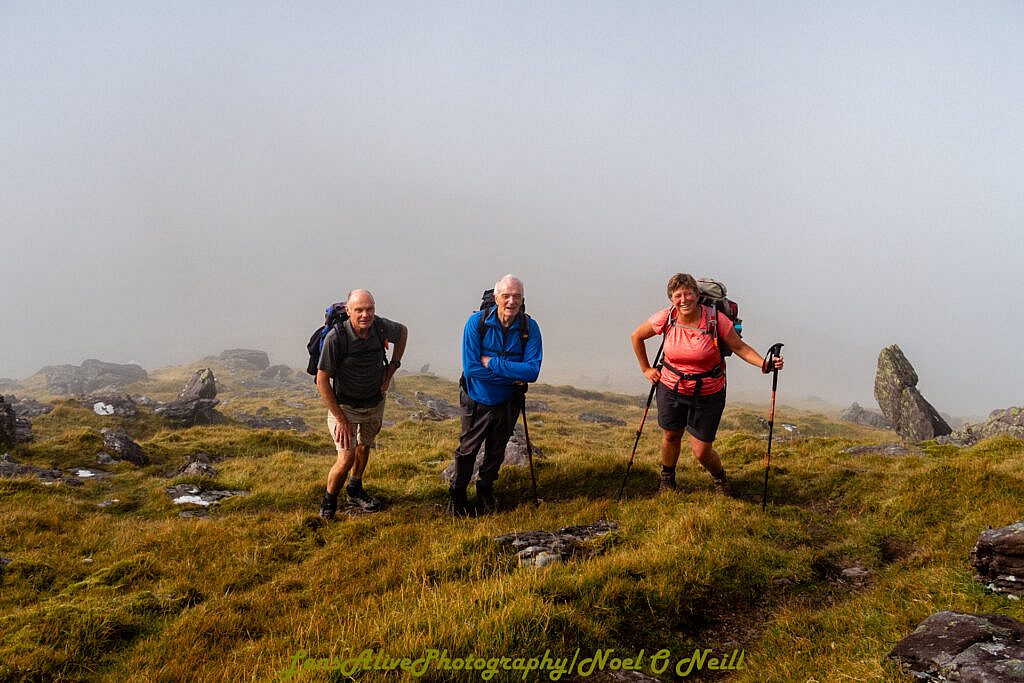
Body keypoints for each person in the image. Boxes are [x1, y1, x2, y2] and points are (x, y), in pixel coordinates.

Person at [630, 273, 783, 495]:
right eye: (677, 295)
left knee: (701, 450)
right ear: (671, 299)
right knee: (671, 435)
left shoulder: (715, 320)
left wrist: (764, 364)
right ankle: (667, 481)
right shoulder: (666, 318)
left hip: (708, 392)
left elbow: (740, 347)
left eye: (688, 294)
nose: (684, 300)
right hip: (671, 388)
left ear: (697, 294)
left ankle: (720, 478)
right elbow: (637, 336)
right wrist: (646, 369)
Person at [448, 274, 542, 515]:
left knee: (496, 449)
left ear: (523, 300)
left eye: (517, 297)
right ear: (496, 297)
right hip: (476, 399)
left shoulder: (529, 328)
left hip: (507, 402)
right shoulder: (475, 323)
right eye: (506, 296)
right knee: (467, 450)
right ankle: (457, 495)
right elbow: (472, 369)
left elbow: (532, 371)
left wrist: (493, 363)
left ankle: (485, 489)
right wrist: (513, 375)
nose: (511, 301)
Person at [317, 289, 407, 521]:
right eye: (359, 310)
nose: (365, 314)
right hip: (345, 407)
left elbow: (403, 331)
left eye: (370, 309)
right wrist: (341, 419)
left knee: (364, 446)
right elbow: (322, 380)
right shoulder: (336, 338)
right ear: (348, 311)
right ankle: (329, 502)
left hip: (374, 403)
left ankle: (355, 489)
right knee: (345, 458)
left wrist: (392, 367)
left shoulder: (380, 327)